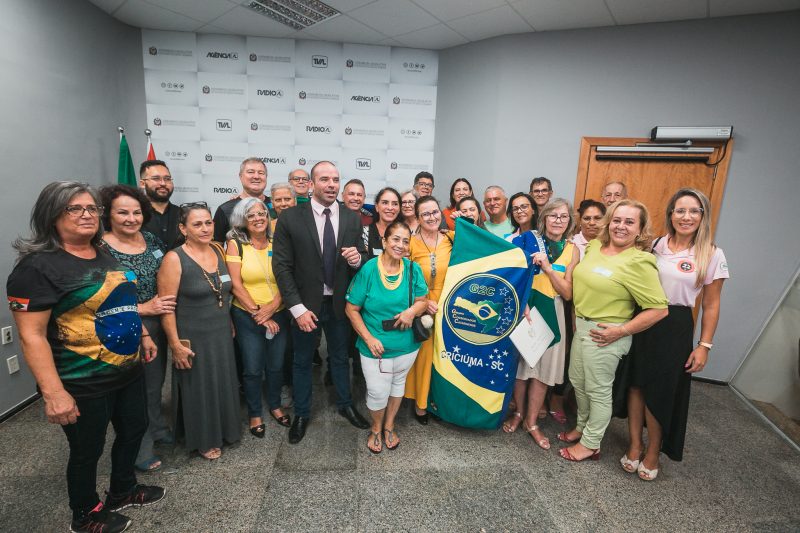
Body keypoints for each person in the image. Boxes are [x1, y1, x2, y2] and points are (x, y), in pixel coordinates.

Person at [7, 181, 164, 533]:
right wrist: (53, 393)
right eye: (74, 209)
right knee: (86, 450)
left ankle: (122, 491)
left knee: (134, 430)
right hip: (82, 380)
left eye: (91, 208)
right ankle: (85, 513)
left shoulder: (103, 253)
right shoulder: (37, 267)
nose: (86, 215)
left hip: (127, 369)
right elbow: (31, 336)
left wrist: (143, 334)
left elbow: (119, 301)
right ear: (51, 215)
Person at [621, 189, 729, 481]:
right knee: (636, 385)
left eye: (694, 211)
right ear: (670, 214)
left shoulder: (711, 253)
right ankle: (634, 443)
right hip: (643, 317)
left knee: (662, 390)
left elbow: (711, 304)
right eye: (680, 210)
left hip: (675, 324)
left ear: (703, 216)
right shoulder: (655, 245)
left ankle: (654, 450)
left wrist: (704, 345)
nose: (686, 217)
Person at [559, 200, 668, 462]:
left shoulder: (640, 261)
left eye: (629, 222)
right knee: (578, 383)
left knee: (597, 390)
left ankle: (591, 443)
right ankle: (582, 427)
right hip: (582, 326)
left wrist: (621, 331)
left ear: (640, 229)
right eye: (617, 220)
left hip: (606, 334)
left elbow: (659, 309)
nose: (621, 226)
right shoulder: (596, 245)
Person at [273, 161, 370, 444]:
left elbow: (362, 256)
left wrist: (357, 259)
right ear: (311, 184)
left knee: (340, 358)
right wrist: (297, 308)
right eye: (324, 179)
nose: (331, 184)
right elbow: (281, 267)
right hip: (305, 307)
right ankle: (302, 413)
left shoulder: (352, 218)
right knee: (302, 361)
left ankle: (345, 404)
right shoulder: (291, 218)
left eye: (335, 179)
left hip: (340, 304)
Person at [99, 185, 176, 473]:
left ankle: (156, 428)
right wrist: (144, 309)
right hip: (125, 326)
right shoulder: (101, 249)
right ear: (109, 214)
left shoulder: (152, 240)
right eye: (122, 212)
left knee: (155, 383)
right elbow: (99, 299)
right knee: (135, 392)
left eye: (136, 212)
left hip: (160, 320)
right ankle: (140, 448)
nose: (131, 218)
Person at [158, 202, 241, 460]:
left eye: (208, 222)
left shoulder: (217, 249)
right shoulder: (174, 258)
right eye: (197, 224)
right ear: (183, 228)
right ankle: (203, 439)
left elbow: (222, 292)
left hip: (219, 331)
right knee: (199, 387)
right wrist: (174, 344)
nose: (205, 228)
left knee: (222, 382)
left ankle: (226, 430)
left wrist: (228, 321)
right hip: (192, 336)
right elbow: (166, 306)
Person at [346, 221, 429, 453]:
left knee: (397, 385)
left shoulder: (413, 269)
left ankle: (389, 426)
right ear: (384, 241)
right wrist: (369, 339)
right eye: (395, 239)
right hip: (375, 348)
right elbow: (351, 309)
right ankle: (376, 427)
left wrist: (411, 312)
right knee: (376, 391)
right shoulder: (370, 269)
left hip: (407, 347)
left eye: (405, 241)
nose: (400, 245)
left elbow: (423, 301)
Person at [504, 199, 579, 452]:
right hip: (525, 308)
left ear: (569, 222)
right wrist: (521, 303)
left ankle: (532, 422)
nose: (558, 220)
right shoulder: (526, 241)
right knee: (521, 367)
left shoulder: (572, 250)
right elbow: (513, 277)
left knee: (544, 369)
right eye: (553, 216)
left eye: (564, 217)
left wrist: (547, 268)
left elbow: (568, 293)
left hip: (553, 310)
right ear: (544, 218)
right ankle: (518, 413)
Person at [225, 198, 291, 437]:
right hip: (246, 314)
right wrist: (258, 314)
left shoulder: (278, 242)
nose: (257, 218)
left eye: (261, 213)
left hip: (279, 313)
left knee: (275, 366)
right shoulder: (235, 244)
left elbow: (287, 278)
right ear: (242, 219)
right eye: (251, 215)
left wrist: (272, 308)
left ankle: (274, 405)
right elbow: (235, 285)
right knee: (253, 368)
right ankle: (254, 413)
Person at [405, 196, 453, 424]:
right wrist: (421, 302)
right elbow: (405, 277)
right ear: (418, 217)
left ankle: (441, 403)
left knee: (445, 357)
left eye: (435, 212)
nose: (432, 217)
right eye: (425, 214)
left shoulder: (452, 238)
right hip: (423, 304)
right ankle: (421, 404)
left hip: (451, 305)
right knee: (424, 358)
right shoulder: (410, 243)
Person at [213, 158, 271, 243]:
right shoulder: (225, 209)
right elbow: (217, 245)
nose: (256, 176)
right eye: (250, 172)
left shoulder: (277, 205)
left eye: (261, 173)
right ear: (240, 176)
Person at [140, 159, 182, 249]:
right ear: (143, 183)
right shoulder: (135, 215)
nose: (163, 183)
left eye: (167, 179)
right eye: (156, 178)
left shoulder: (183, 213)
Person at [363, 187, 401, 260]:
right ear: (377, 207)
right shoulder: (365, 232)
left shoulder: (404, 233)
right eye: (385, 203)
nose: (390, 208)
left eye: (395, 204)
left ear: (399, 208)